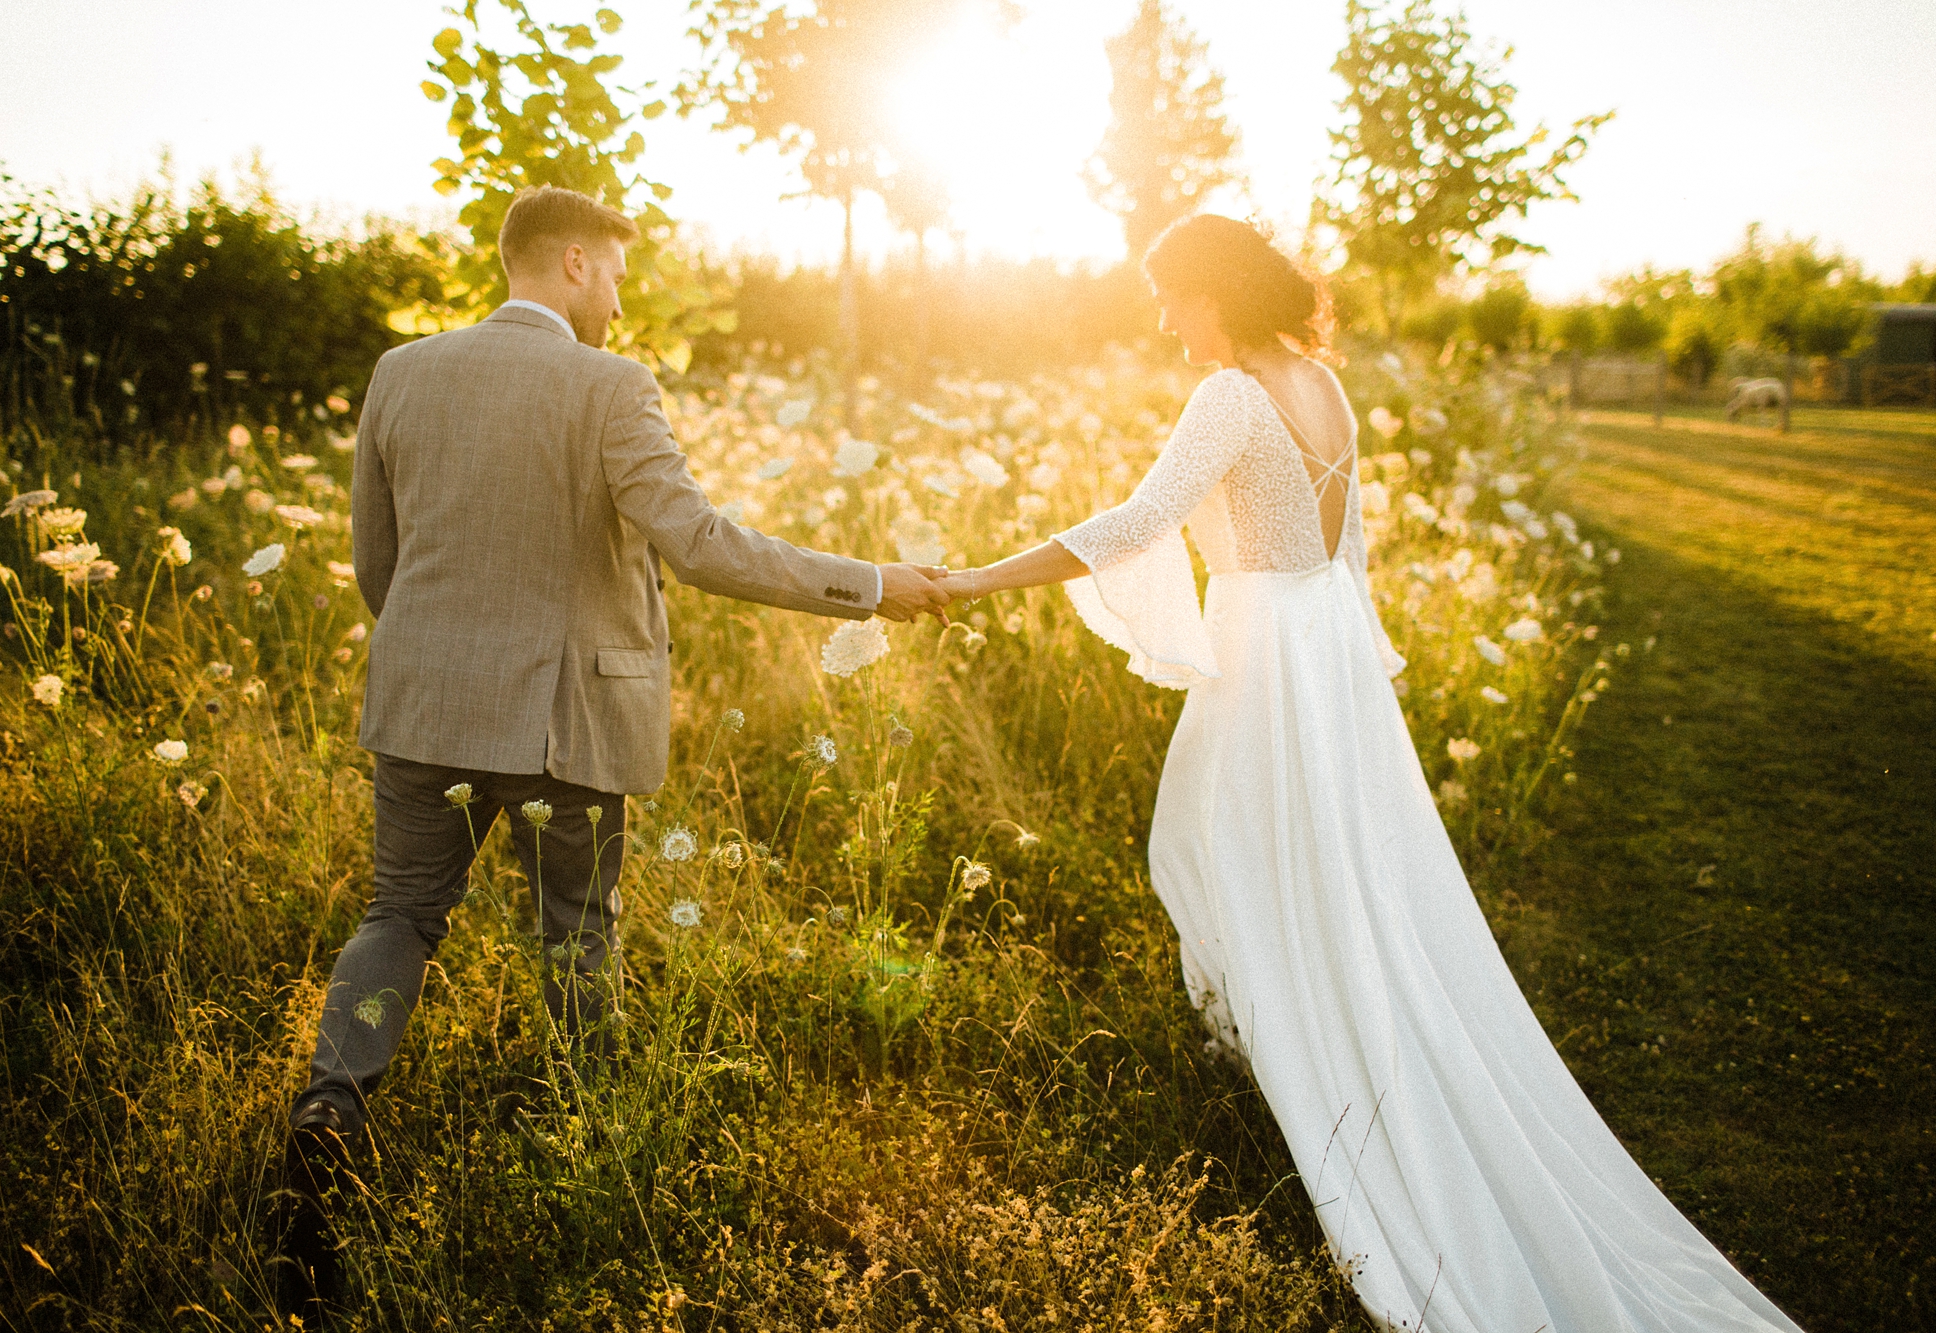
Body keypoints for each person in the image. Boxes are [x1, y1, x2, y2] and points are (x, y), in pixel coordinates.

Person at [934, 214, 1805, 1333]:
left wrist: (969, 581)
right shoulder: (1325, 392)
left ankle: (1284, 1049)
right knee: (1281, 856)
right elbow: (1346, 552)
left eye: (1169, 297)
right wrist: (1353, 661)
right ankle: (1270, 1032)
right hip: (1322, 646)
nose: (1160, 320)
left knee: (1214, 848)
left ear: (1214, 295)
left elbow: (1139, 521)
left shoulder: (1231, 398)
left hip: (1265, 654)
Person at [271, 184, 951, 1319]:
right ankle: (593, 1139)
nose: (623, 297)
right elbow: (697, 546)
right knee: (576, 929)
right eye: (619, 273)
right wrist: (872, 586)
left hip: (422, 708)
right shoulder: (608, 385)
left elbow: (375, 567)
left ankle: (329, 1111)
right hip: (563, 721)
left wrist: (441, 661)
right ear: (576, 263)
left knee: (398, 917)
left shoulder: (401, 372)